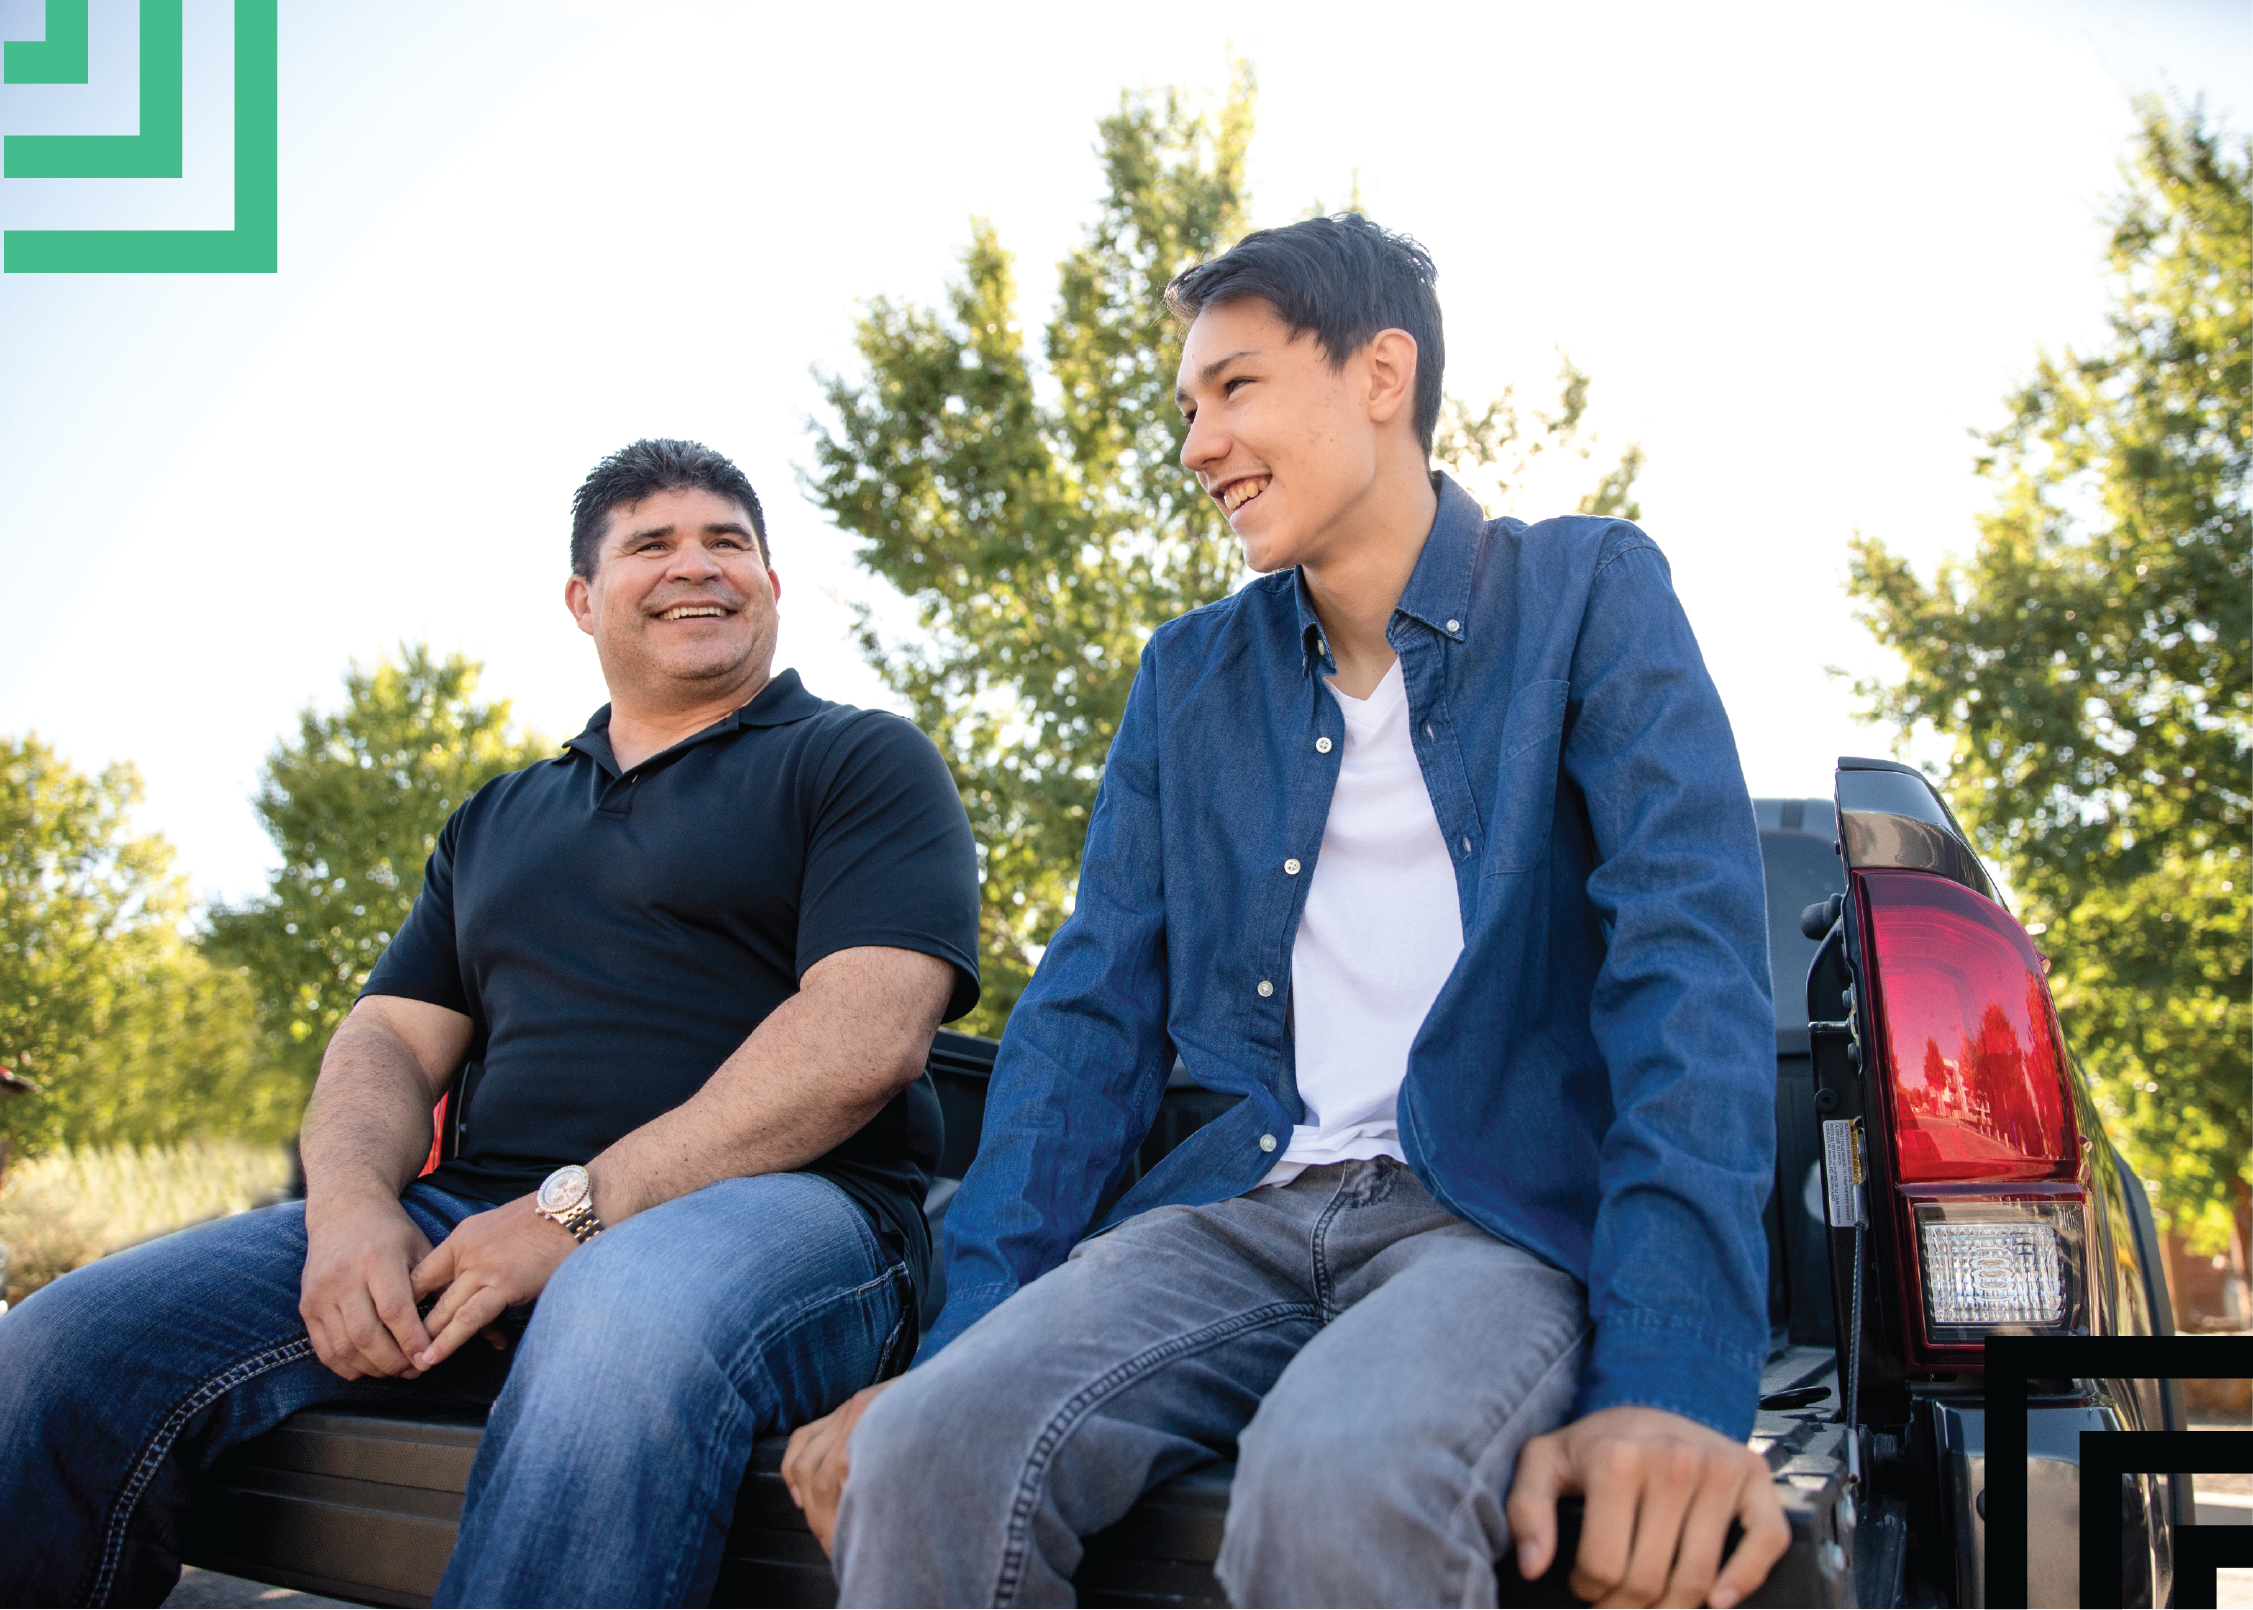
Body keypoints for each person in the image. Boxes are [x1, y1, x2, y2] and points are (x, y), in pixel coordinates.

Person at [785, 217, 1790, 1609]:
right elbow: (1084, 1024)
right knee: (926, 1450)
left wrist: (1672, 1382)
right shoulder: (1189, 677)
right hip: (1238, 1210)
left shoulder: (1586, 595)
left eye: (1236, 387)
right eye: (1187, 407)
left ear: (1382, 372)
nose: (1196, 443)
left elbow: (1688, 975)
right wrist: (955, 1346)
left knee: (1338, 1486)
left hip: (1482, 1225)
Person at [0, 438, 981, 1607]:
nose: (699, 566)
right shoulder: (498, 816)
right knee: (65, 1343)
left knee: (618, 1318)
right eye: (651, 543)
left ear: (771, 582)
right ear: (582, 598)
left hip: (793, 1215)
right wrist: (351, 1212)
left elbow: (866, 1034)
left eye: (730, 541)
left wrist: (572, 1214)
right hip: (465, 1213)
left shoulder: (859, 757)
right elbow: (386, 1043)